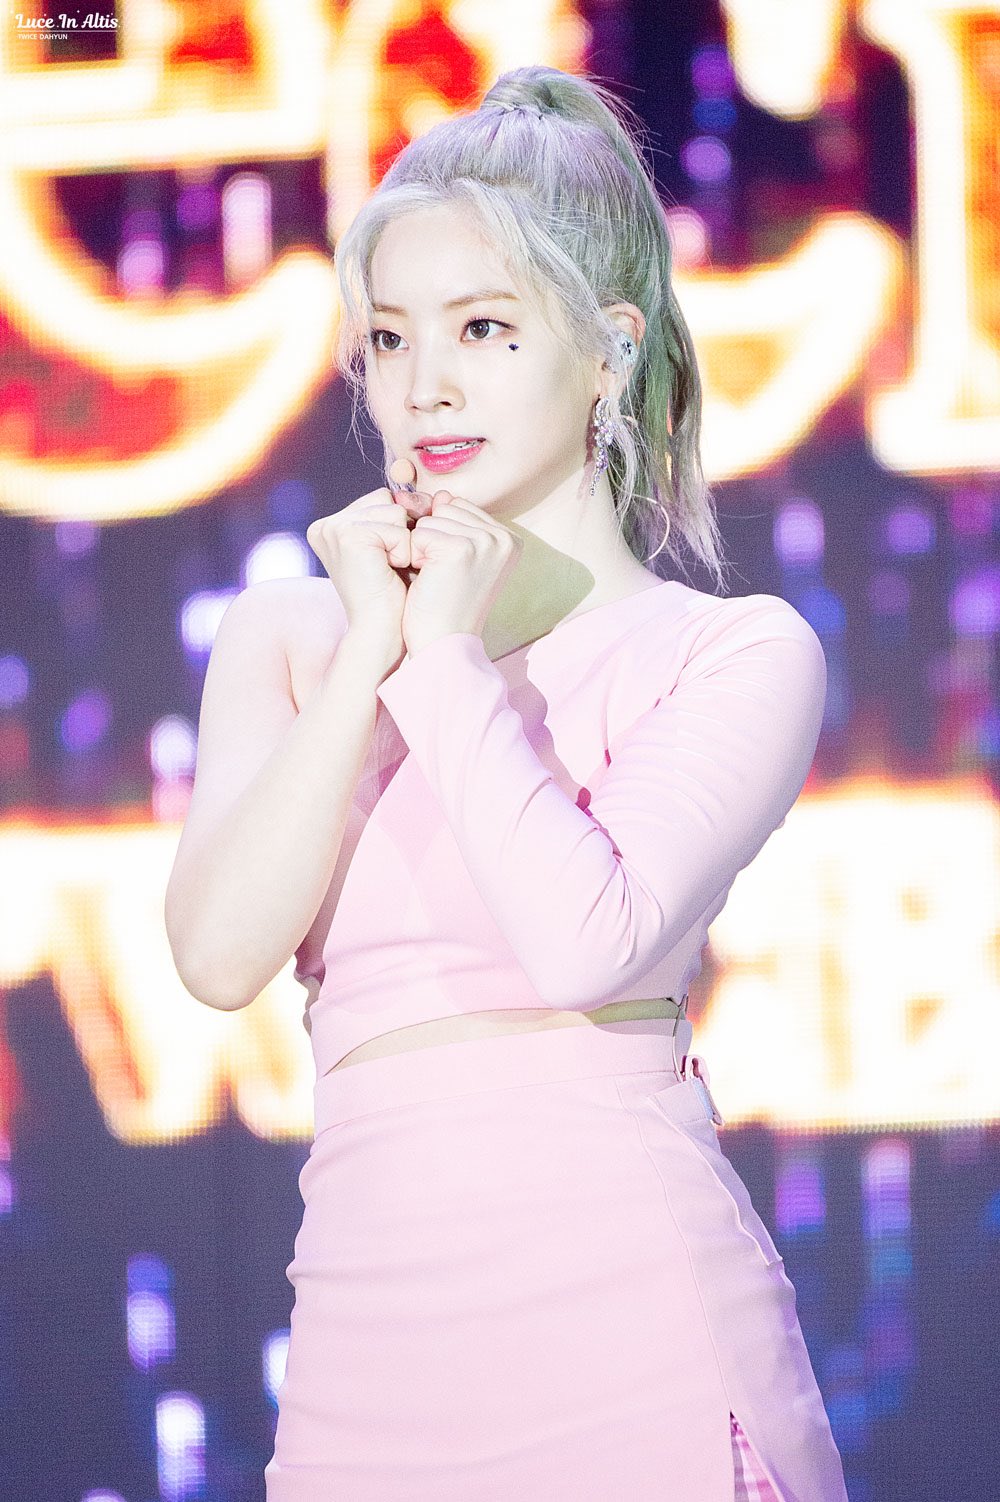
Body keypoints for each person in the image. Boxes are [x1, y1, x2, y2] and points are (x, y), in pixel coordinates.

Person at [164, 64, 849, 1501]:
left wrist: (446, 656)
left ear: (608, 353)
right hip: (366, 1361)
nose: (425, 384)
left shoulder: (726, 652)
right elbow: (220, 957)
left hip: (639, 1346)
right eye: (390, 336)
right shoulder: (296, 634)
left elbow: (587, 941)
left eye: (483, 327)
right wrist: (373, 650)